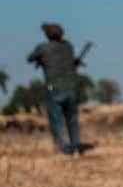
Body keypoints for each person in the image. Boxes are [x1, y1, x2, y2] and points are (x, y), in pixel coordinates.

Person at [27, 22, 92, 156]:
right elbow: (68, 60)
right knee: (72, 119)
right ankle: (75, 146)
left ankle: (62, 148)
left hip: (54, 88)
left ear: (47, 35)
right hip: (71, 87)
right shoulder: (68, 46)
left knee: (55, 120)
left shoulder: (43, 48)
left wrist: (40, 60)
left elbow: (29, 58)